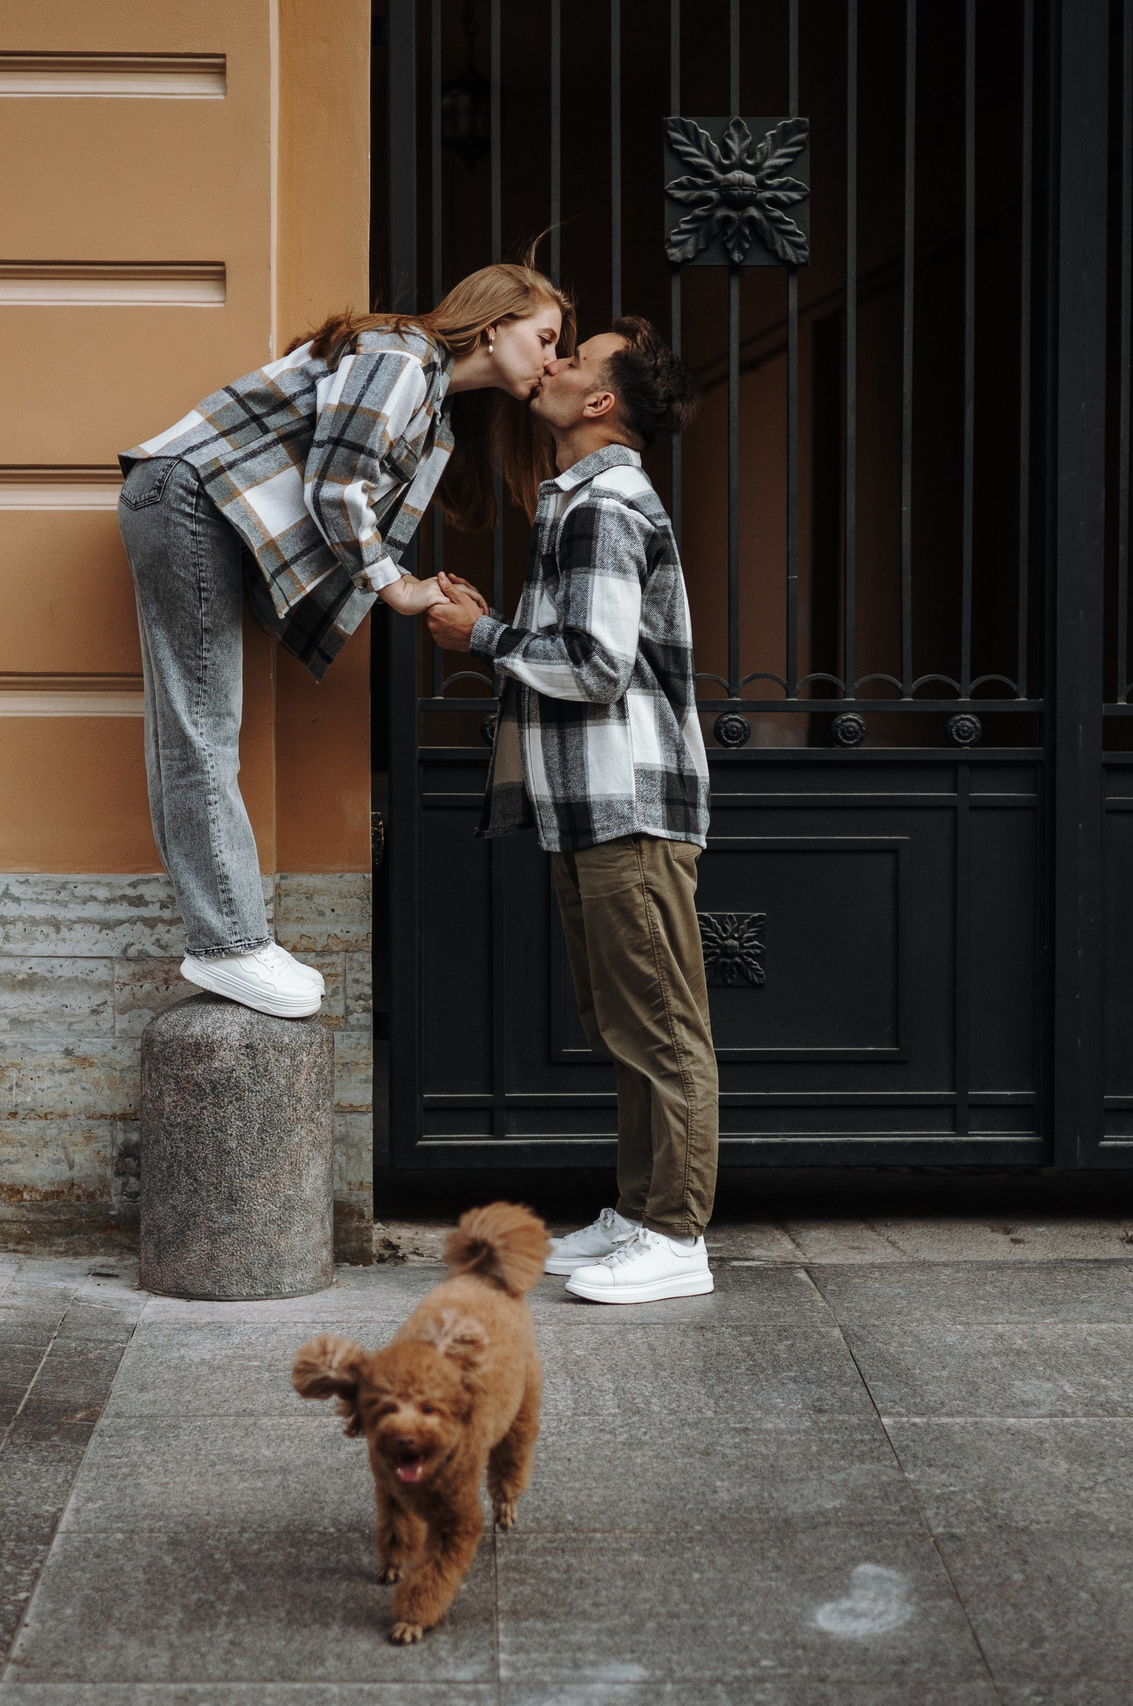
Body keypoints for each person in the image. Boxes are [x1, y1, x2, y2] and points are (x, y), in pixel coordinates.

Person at [119, 265, 569, 1018]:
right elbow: (337, 485)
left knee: (192, 726)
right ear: (494, 324)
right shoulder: (403, 355)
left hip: (189, 504)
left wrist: (401, 582)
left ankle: (225, 939)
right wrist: (396, 588)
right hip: (188, 502)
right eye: (546, 336)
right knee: (199, 726)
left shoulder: (433, 406)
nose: (554, 359)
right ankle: (228, 944)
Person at [425, 318, 715, 1304]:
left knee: (662, 1028)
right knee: (626, 1024)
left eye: (572, 357)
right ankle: (639, 1213)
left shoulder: (604, 503)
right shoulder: (581, 500)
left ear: (599, 402)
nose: (547, 362)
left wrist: (481, 635)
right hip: (598, 804)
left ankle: (676, 1236)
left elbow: (593, 667)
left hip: (626, 802)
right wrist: (497, 630)